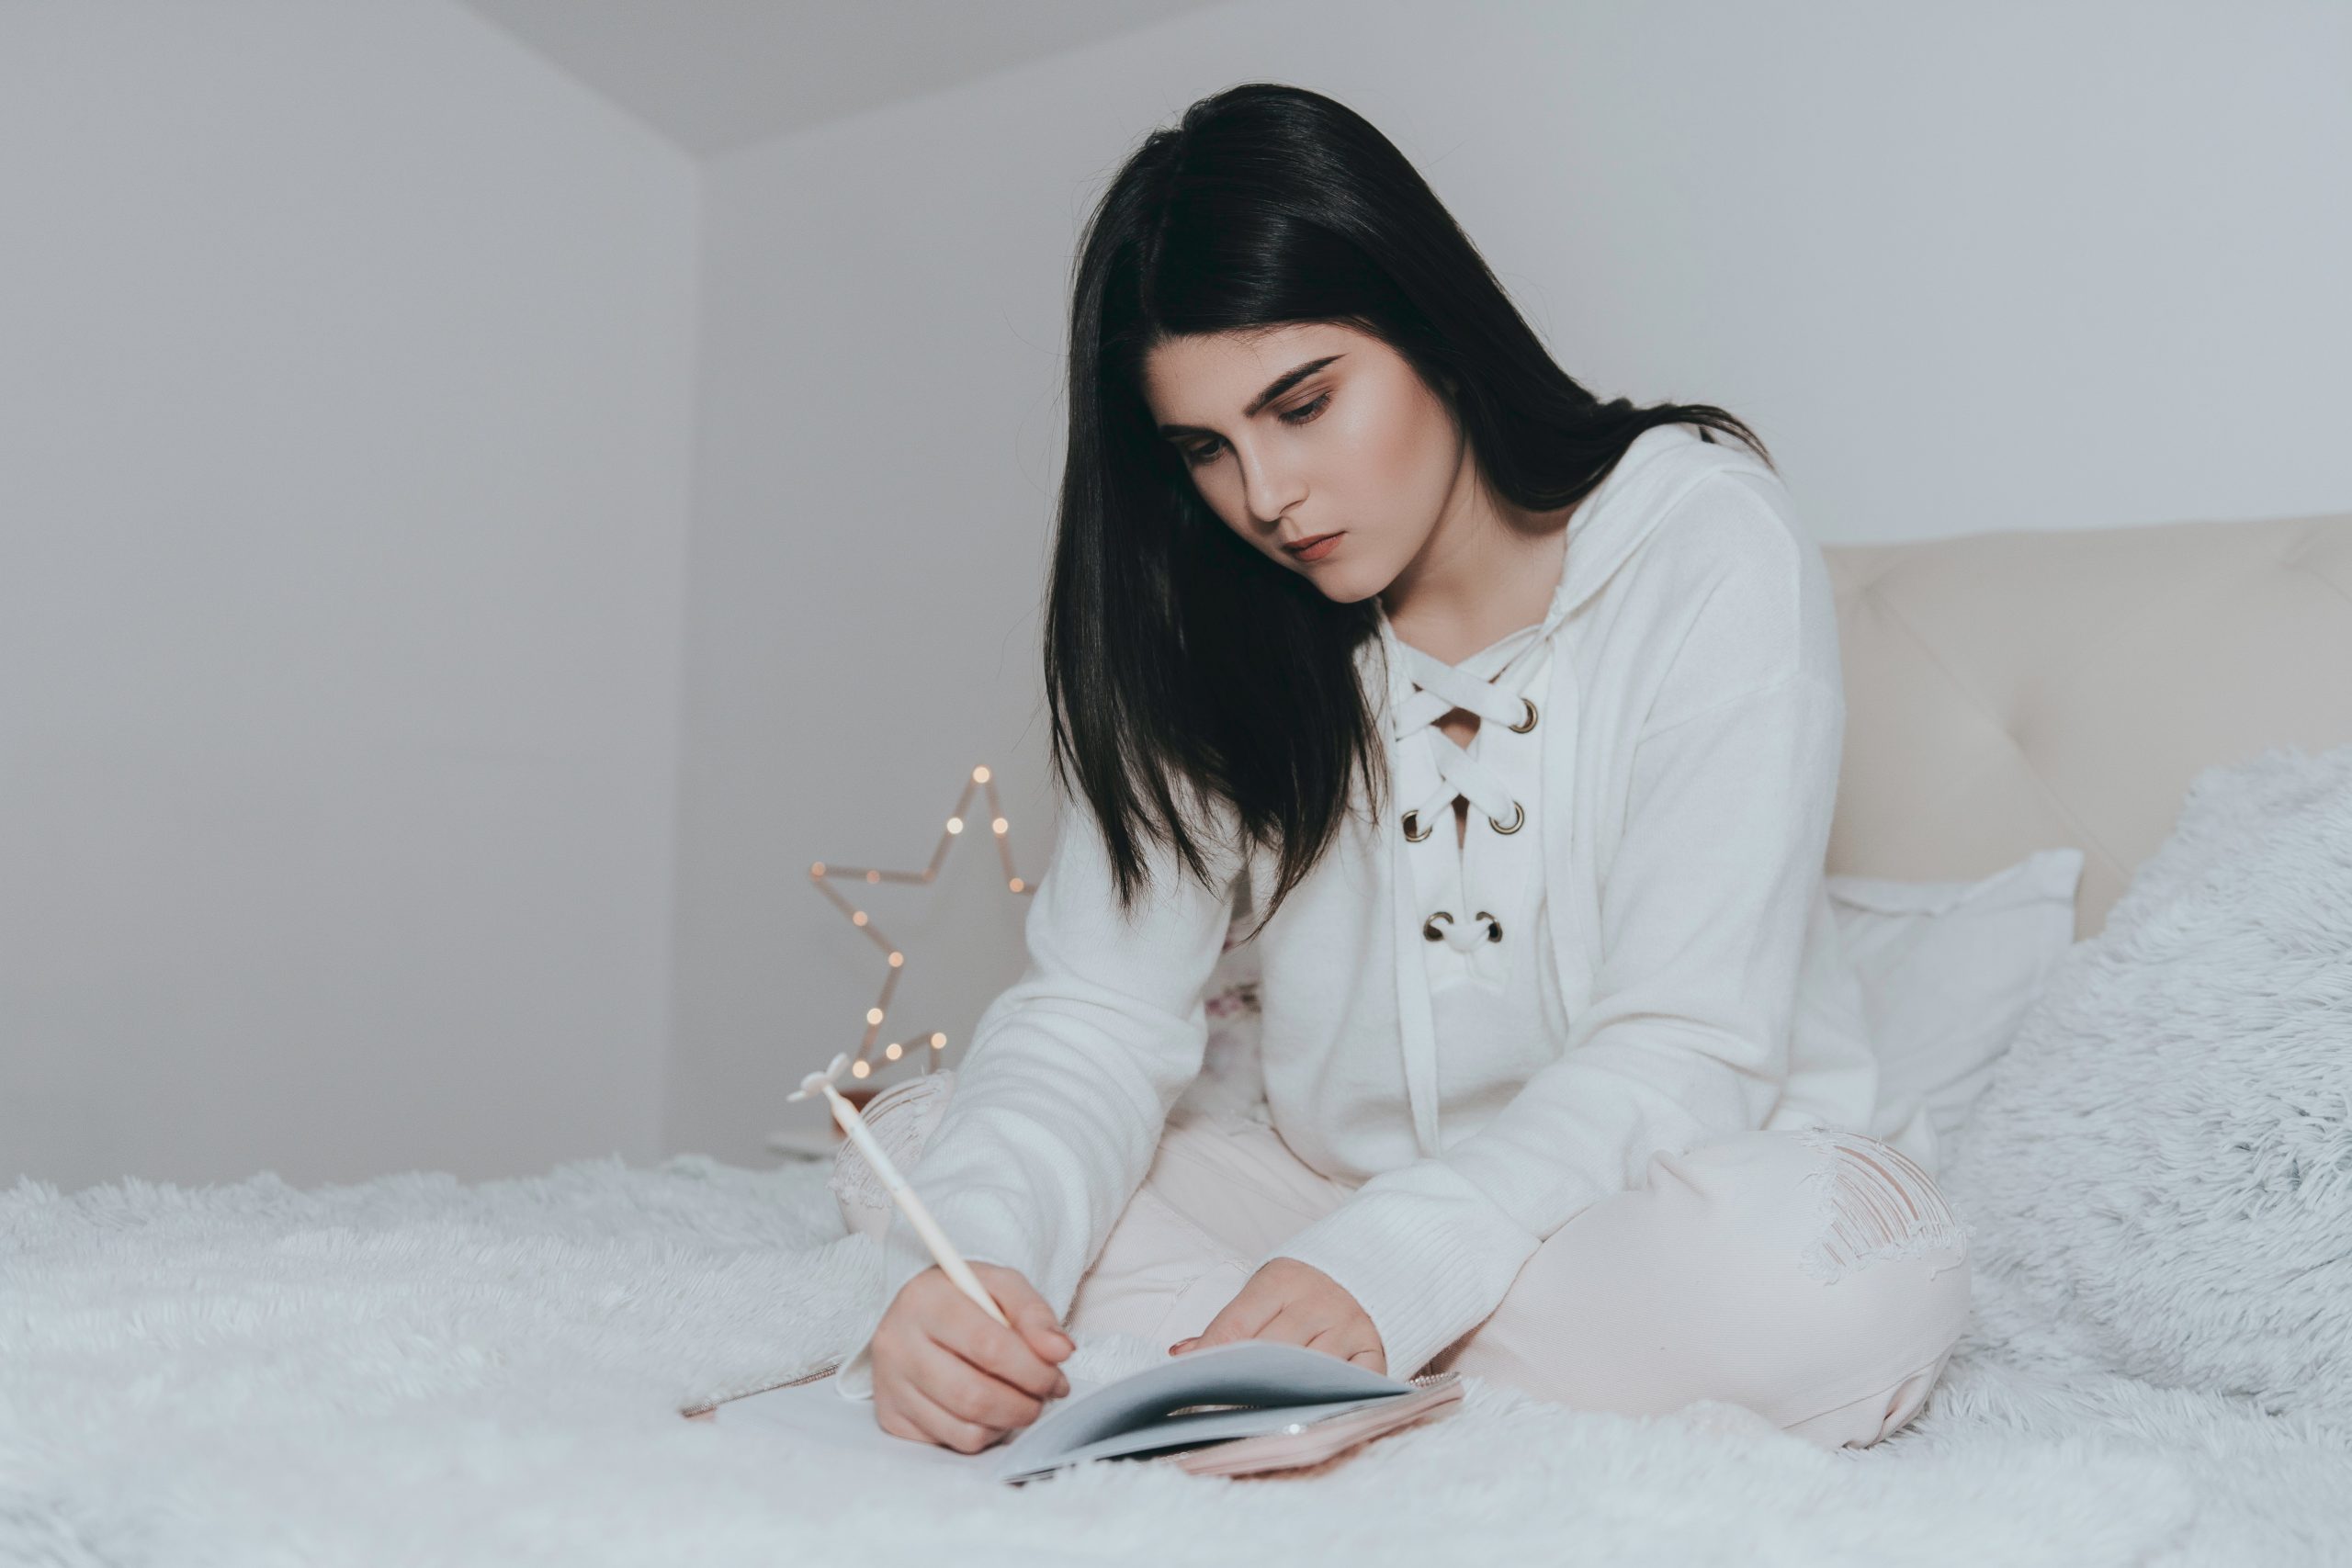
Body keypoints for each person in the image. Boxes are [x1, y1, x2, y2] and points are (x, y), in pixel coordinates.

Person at [824, 82, 1972, 1457]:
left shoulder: (1702, 536)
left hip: (1656, 1201)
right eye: (1205, 448)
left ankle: (1282, 1384)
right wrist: (982, 1268)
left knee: (1839, 1276)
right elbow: (1095, 1014)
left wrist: (1387, 1272)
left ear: (1427, 320)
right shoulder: (1221, 618)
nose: (1264, 496)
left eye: (1301, 404)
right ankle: (1325, 1380)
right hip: (1318, 1201)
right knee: (925, 1151)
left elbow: (1688, 1044)